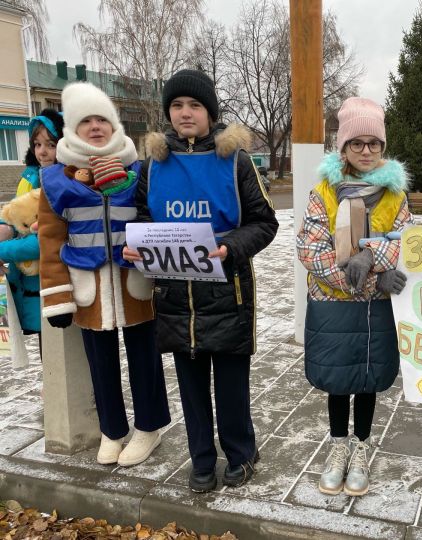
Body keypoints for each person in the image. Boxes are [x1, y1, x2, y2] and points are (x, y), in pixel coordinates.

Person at [123, 69, 278, 493]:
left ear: (210, 112)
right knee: (191, 387)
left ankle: (242, 454)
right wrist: (135, 247)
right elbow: (141, 220)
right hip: (174, 295)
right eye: (177, 106)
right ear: (168, 113)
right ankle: (201, 460)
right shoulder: (152, 166)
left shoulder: (237, 161)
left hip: (228, 293)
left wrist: (230, 246)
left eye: (194, 105)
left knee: (231, 387)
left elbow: (265, 223)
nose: (185, 113)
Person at [38, 82, 171, 466]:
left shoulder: (140, 170)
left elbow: (156, 221)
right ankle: (112, 431)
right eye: (86, 121)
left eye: (103, 120)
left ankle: (149, 428)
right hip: (88, 288)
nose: (95, 127)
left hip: (135, 284)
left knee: (145, 359)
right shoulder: (56, 180)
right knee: (101, 364)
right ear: (73, 130)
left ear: (114, 126)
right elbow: (50, 240)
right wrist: (58, 297)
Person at [296, 97, 411, 497]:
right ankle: (338, 446)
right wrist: (364, 280)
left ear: (382, 147)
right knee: (337, 379)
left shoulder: (396, 196)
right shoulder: (324, 193)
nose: (366, 151)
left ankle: (361, 447)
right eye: (357, 143)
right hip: (333, 307)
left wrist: (371, 257)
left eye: (373, 144)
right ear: (342, 148)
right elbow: (309, 250)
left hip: (377, 312)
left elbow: (404, 243)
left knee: (367, 378)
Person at [0, 109, 64, 348]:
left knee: (61, 347)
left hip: (57, 279)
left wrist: (2, 250)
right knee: (46, 348)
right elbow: (11, 215)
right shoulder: (30, 177)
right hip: (30, 280)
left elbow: (44, 241)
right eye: (37, 144)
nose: (43, 151)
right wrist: (4, 228)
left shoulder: (65, 181)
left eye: (51, 144)